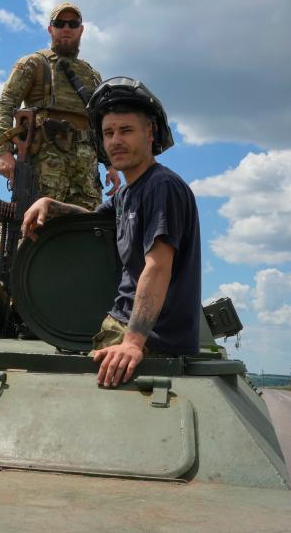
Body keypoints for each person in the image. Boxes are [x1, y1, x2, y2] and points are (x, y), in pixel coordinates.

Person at [21, 77, 200, 388]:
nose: (116, 140)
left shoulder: (162, 187)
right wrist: (51, 204)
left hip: (151, 340)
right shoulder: (128, 193)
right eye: (109, 133)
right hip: (122, 328)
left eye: (126, 131)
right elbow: (92, 220)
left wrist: (133, 342)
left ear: (150, 133)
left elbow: (158, 266)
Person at [0, 2, 120, 210]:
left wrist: (110, 164)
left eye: (73, 23)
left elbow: (99, 122)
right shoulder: (34, 63)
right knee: (40, 227)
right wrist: (5, 151)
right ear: (51, 29)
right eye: (60, 23)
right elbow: (5, 106)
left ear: (81, 29)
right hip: (46, 167)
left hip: (85, 172)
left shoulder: (91, 74)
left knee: (87, 229)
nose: (66, 28)